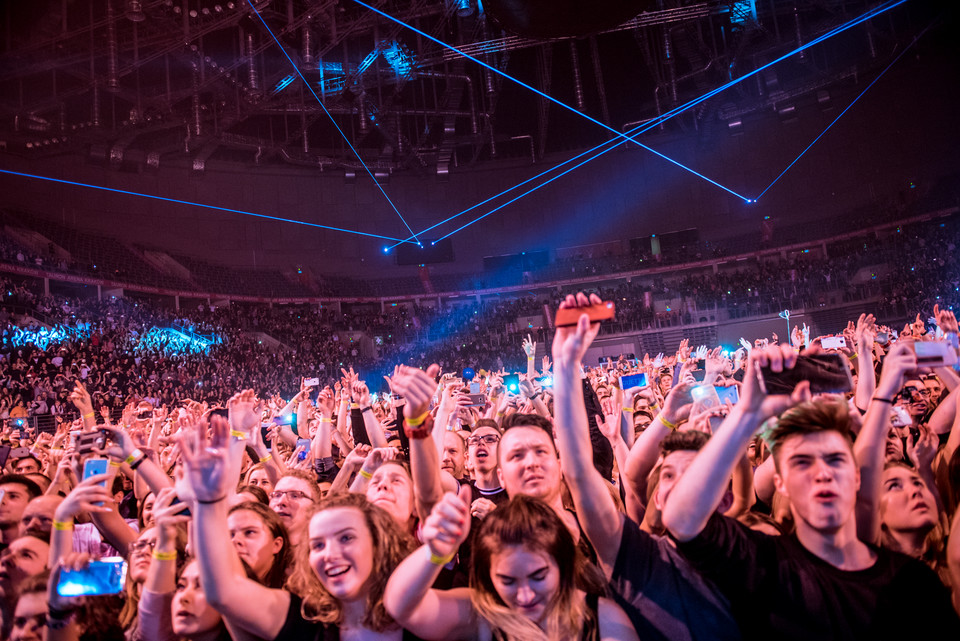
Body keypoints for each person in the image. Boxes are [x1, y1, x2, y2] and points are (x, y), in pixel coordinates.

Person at [661, 344, 960, 639]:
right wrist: (748, 413)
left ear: (856, 477)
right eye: (802, 463)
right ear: (780, 482)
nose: (822, 473)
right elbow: (681, 519)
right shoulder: (764, 566)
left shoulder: (914, 584)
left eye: (835, 459)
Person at [549, 292, 740, 641]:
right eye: (668, 474)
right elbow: (577, 470)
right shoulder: (641, 560)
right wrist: (564, 366)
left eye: (695, 473)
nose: (681, 483)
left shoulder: (757, 559)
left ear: (726, 499)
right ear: (657, 499)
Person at [180, 416, 417, 641]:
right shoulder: (303, 618)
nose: (329, 553)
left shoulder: (421, 613)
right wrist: (207, 503)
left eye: (346, 538)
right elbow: (224, 591)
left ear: (378, 540)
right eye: (317, 545)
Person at [383, 492, 638, 641]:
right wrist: (436, 552)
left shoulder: (603, 619)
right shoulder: (484, 615)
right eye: (507, 581)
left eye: (539, 576)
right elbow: (401, 606)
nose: (525, 595)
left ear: (561, 562)